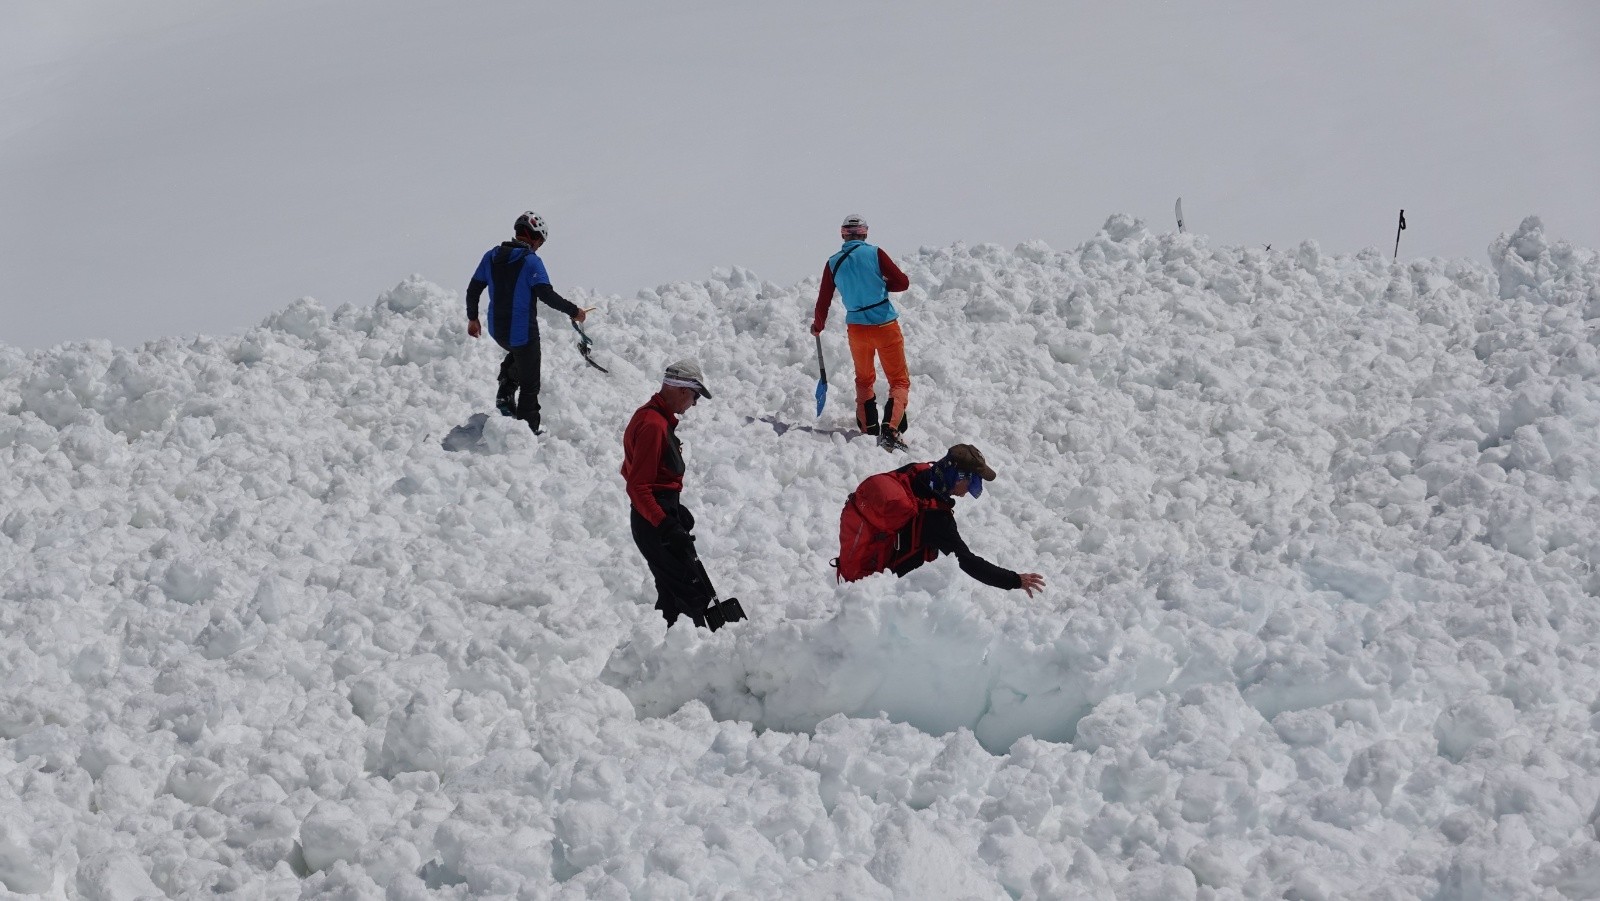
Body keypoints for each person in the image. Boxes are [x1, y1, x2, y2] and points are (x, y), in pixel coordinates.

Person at [621, 359, 746, 630]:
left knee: (672, 592)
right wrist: (665, 523)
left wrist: (673, 508)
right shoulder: (652, 425)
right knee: (690, 592)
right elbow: (637, 486)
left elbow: (641, 474)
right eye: (695, 396)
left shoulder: (653, 418)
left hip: (656, 515)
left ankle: (665, 645)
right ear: (682, 390)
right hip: (653, 523)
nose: (695, 404)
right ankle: (691, 644)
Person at [835, 444, 1046, 596]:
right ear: (958, 477)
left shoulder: (916, 472)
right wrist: (1015, 580)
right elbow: (968, 562)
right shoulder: (936, 517)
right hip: (887, 590)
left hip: (866, 566)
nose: (971, 491)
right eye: (973, 483)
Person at [465, 211, 587, 434]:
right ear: (534, 238)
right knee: (530, 385)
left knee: (519, 353)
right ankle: (527, 433)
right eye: (540, 242)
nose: (539, 247)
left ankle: (506, 390)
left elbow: (473, 289)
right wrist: (574, 311)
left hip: (497, 330)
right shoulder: (531, 262)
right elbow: (546, 295)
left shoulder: (491, 257)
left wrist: (473, 318)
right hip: (522, 333)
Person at [810, 214, 913, 440]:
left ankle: (869, 429)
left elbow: (823, 300)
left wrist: (818, 326)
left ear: (843, 235)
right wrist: (880, 285)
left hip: (857, 329)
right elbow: (902, 282)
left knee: (864, 380)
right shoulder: (875, 253)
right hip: (885, 325)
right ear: (865, 233)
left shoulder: (833, 263)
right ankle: (891, 428)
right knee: (898, 380)